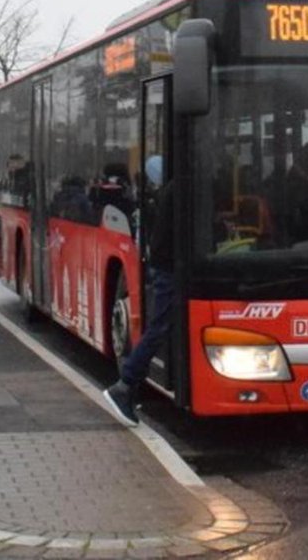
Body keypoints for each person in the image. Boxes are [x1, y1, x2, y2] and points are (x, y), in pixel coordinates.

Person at [103, 174, 175, 427]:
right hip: (169, 270)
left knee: (162, 325)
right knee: (159, 327)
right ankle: (124, 386)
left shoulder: (172, 188)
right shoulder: (183, 190)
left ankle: (127, 389)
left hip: (164, 266)